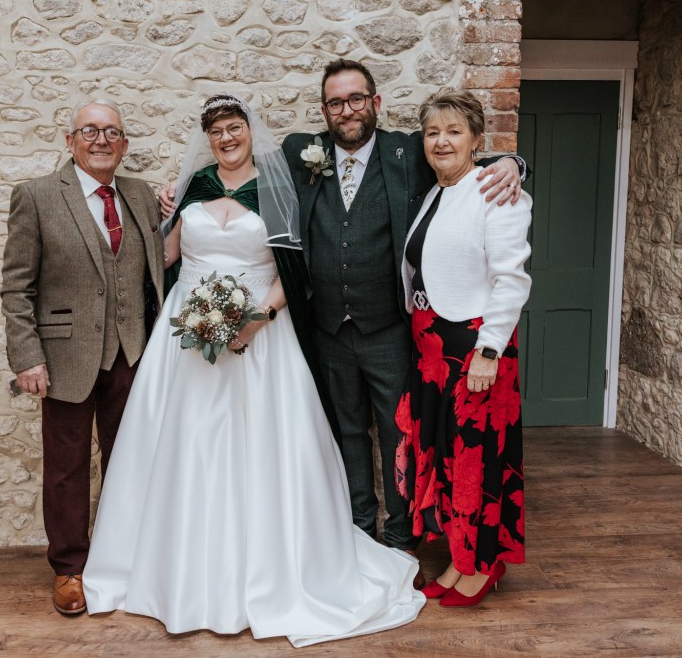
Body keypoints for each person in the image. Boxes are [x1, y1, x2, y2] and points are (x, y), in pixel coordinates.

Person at [82, 95, 425, 647]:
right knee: (184, 446)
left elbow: (296, 268)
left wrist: (255, 319)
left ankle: (267, 570)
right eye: (216, 131)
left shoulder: (277, 188)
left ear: (249, 131)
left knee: (261, 448)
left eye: (234, 127)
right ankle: (176, 570)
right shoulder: (192, 187)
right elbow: (165, 257)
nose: (226, 138)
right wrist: (157, 214)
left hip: (260, 334)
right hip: (186, 338)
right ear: (208, 139)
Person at [276, 59, 527, 586]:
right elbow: (244, 178)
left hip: (390, 329)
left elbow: (463, 155)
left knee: (401, 433)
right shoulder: (301, 153)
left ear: (375, 102)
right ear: (324, 110)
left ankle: (400, 537)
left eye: (356, 99)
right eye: (336, 102)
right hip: (329, 328)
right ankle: (357, 528)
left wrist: (516, 163)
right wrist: (182, 197)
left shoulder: (407, 150)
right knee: (345, 430)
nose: (347, 110)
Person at [1, 98, 165, 616]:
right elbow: (17, 286)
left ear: (125, 144)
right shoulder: (37, 195)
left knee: (130, 460)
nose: (101, 140)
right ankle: (69, 568)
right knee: (66, 467)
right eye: (89, 131)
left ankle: (125, 558)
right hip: (64, 357)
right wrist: (27, 357)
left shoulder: (141, 195)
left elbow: (158, 265)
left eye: (111, 132)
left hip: (132, 352)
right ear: (69, 140)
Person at [396, 90, 531, 607]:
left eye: (454, 131)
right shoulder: (437, 192)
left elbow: (511, 280)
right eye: (432, 133)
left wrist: (489, 351)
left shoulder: (497, 190)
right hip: (434, 352)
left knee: (477, 460)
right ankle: (460, 558)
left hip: (474, 348)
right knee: (449, 459)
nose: (441, 141)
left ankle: (485, 564)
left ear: (477, 139)